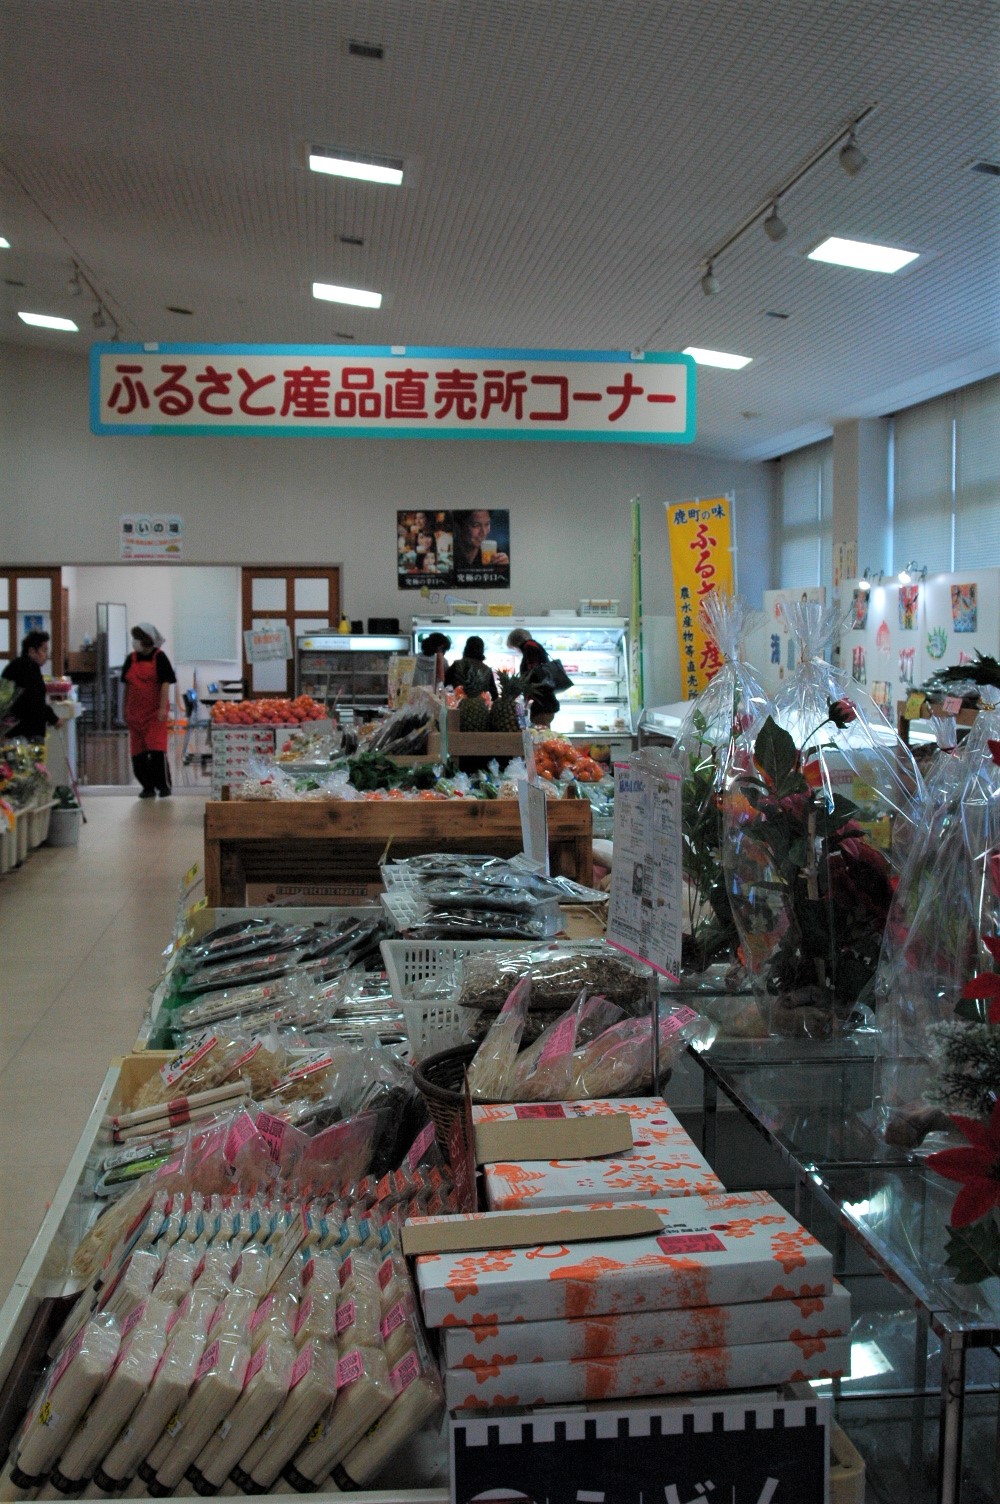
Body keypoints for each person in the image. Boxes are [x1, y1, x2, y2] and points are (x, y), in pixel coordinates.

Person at [121, 622, 176, 798]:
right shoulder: (130, 659)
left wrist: (162, 708)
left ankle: (164, 786)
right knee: (138, 755)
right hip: (134, 715)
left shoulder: (160, 657)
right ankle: (147, 787)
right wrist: (124, 709)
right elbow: (127, 686)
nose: (134, 642)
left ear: (147, 640)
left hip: (154, 715)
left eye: (137, 638)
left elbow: (165, 683)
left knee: (157, 751)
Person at [2, 629, 59, 742]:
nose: (46, 655)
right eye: (44, 650)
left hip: (8, 727)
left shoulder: (13, 665)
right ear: (32, 651)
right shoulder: (30, 668)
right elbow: (35, 701)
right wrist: (53, 719)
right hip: (26, 731)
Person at [506, 627, 559, 727]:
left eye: (514, 648)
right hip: (545, 701)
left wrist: (521, 685)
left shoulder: (530, 647)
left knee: (541, 732)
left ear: (516, 643)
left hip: (541, 703)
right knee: (543, 731)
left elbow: (533, 673)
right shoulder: (534, 646)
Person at [444, 635, 499, 700]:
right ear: (482, 650)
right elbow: (494, 695)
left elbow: (444, 683)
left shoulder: (457, 664)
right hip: (480, 704)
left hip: (458, 701)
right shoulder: (487, 670)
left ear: (466, 648)